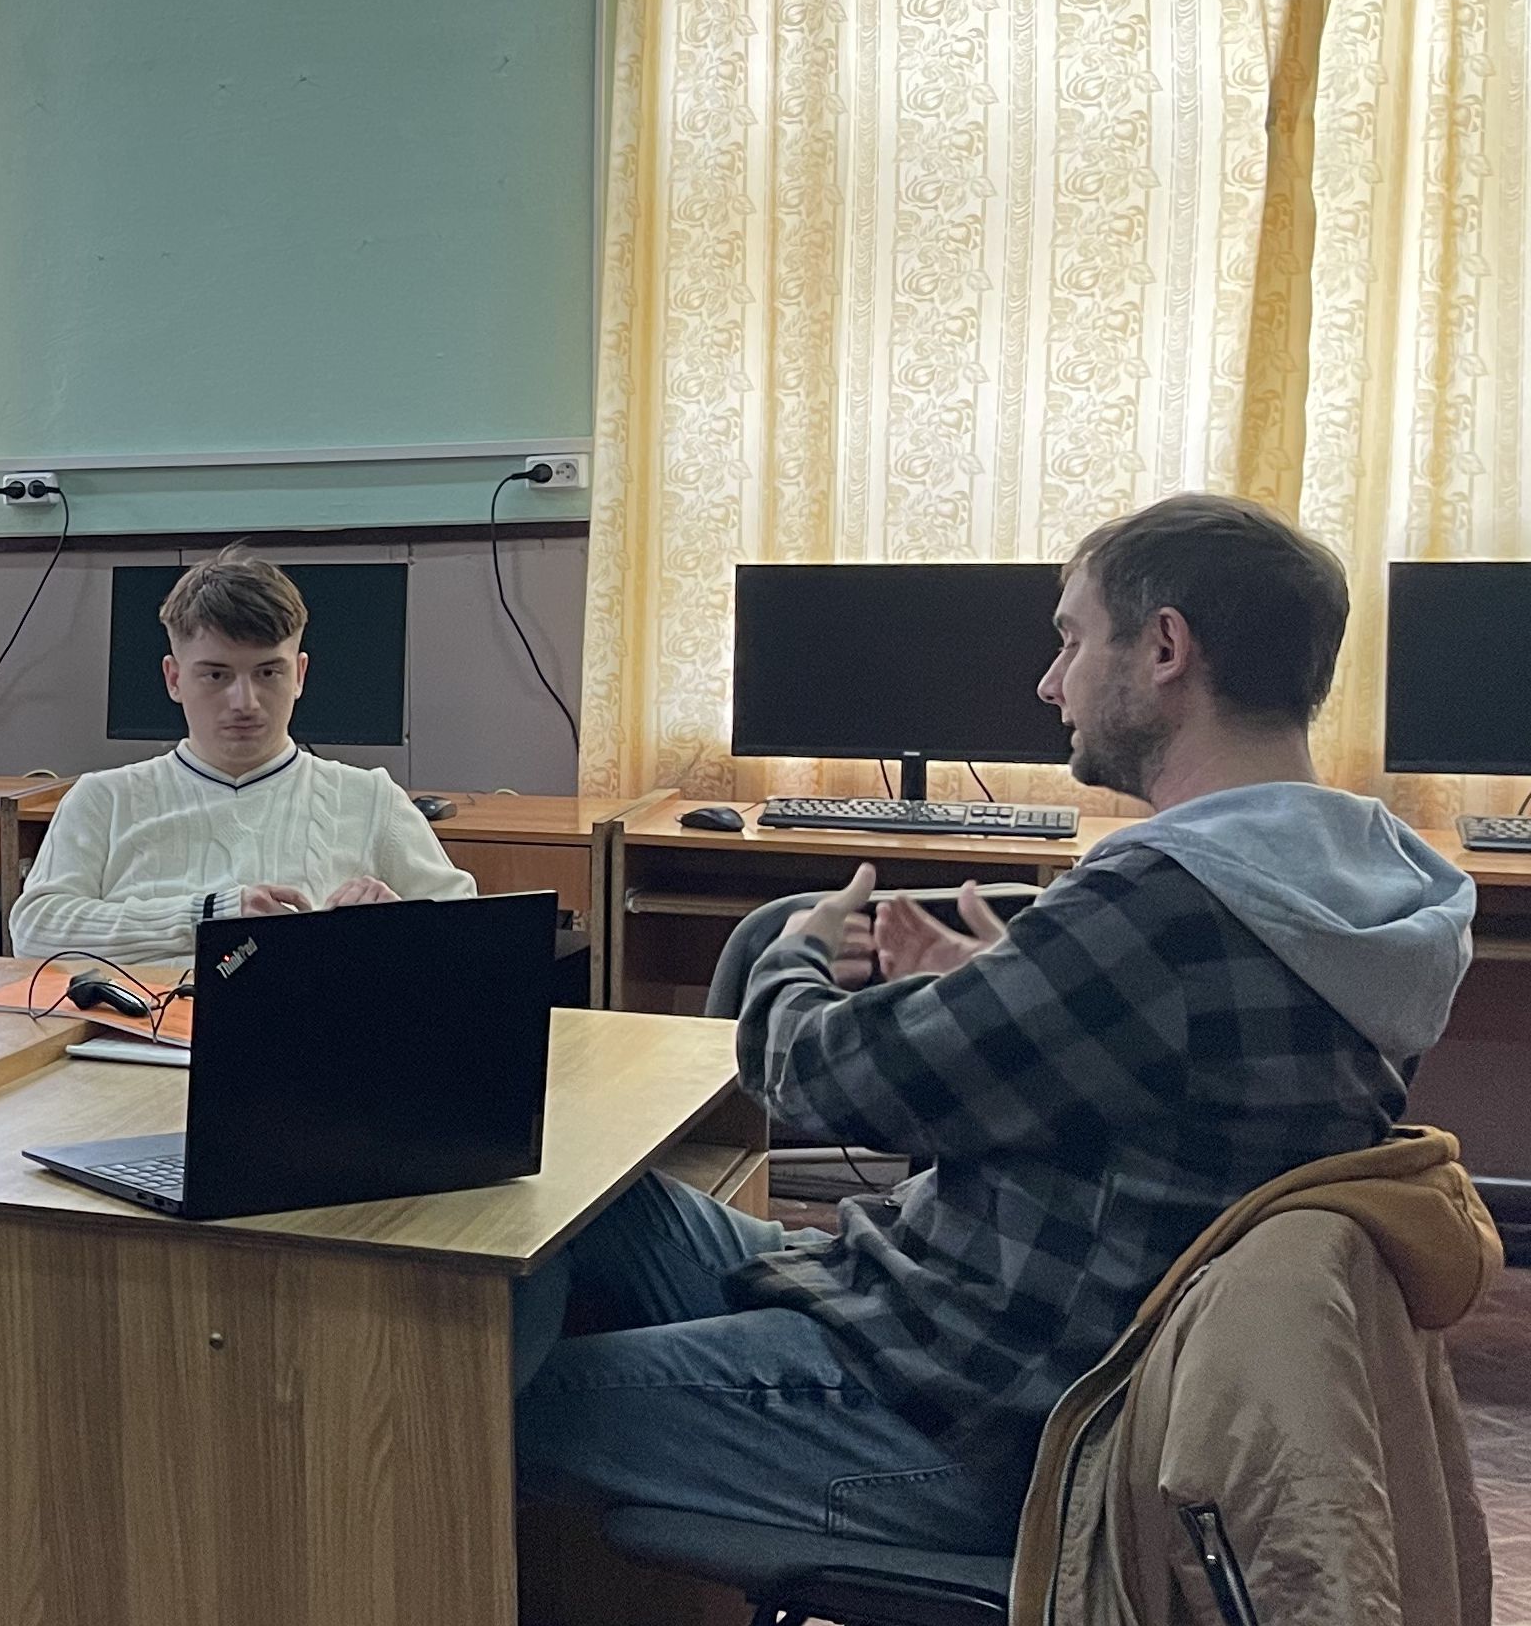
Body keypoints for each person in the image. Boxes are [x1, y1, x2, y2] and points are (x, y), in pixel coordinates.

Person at [513, 494, 1476, 1550]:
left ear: (1165, 648)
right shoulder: (1359, 883)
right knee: (585, 1205)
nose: (1051, 684)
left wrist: (798, 954)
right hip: (949, 1323)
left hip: (959, 1422)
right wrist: (993, 985)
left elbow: (821, 1079)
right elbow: (1144, 1075)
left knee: (463, 1388)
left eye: (1071, 640)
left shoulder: (1163, 909)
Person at [7, 549, 472, 961]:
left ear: (299, 675)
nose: (244, 702)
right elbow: (34, 931)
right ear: (174, 679)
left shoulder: (371, 798)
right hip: (138, 1026)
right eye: (216, 675)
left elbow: (472, 937)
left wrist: (396, 926)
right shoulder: (103, 799)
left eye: (268, 673)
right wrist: (212, 914)